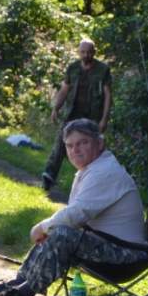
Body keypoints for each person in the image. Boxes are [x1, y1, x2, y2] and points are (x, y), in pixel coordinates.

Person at [0, 118, 148, 296]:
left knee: (61, 233)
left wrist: (41, 227)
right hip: (111, 245)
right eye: (70, 146)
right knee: (58, 230)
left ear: (99, 143)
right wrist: (47, 229)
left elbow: (76, 214)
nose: (75, 150)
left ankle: (25, 293)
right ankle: (19, 283)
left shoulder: (105, 172)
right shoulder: (93, 168)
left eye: (83, 143)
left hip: (126, 257)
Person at [42, 39, 112, 191]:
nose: (86, 55)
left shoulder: (103, 70)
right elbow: (64, 89)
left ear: (94, 52)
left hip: (92, 115)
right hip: (72, 113)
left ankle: (91, 183)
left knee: (92, 150)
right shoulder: (73, 68)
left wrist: (104, 119)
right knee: (61, 143)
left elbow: (108, 95)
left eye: (89, 52)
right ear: (79, 52)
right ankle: (49, 175)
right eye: (83, 52)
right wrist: (56, 108)